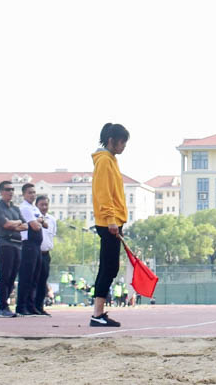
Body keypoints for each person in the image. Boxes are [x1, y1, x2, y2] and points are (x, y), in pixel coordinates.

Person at [90, 122, 130, 328]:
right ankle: (97, 313)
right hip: (108, 223)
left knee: (110, 267)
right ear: (111, 140)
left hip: (114, 221)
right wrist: (112, 220)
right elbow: (103, 193)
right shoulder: (104, 161)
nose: (124, 146)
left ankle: (98, 312)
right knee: (108, 267)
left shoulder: (111, 160)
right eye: (122, 142)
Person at [0, 180, 26, 318]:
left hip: (18, 244)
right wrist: (16, 224)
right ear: (1, 191)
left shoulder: (15, 209)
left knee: (12, 277)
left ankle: (6, 306)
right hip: (5, 243)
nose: (10, 192)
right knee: (5, 275)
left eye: (12, 189)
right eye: (7, 189)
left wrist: (14, 224)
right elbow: (6, 225)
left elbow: (26, 225)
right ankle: (2, 307)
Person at [14, 182, 44, 316]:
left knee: (35, 277)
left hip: (37, 245)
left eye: (34, 192)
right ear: (24, 194)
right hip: (28, 245)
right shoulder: (25, 208)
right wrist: (39, 221)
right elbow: (36, 226)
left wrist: (40, 221)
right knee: (26, 277)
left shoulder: (35, 209)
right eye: (29, 193)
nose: (32, 195)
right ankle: (21, 306)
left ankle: (31, 306)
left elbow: (45, 223)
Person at [34, 194, 55, 315]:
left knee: (43, 281)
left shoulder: (52, 219)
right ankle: (30, 306)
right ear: (36, 205)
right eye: (41, 204)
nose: (44, 207)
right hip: (35, 253)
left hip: (46, 254)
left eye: (46, 204)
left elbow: (52, 235)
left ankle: (39, 307)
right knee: (33, 281)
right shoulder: (33, 218)